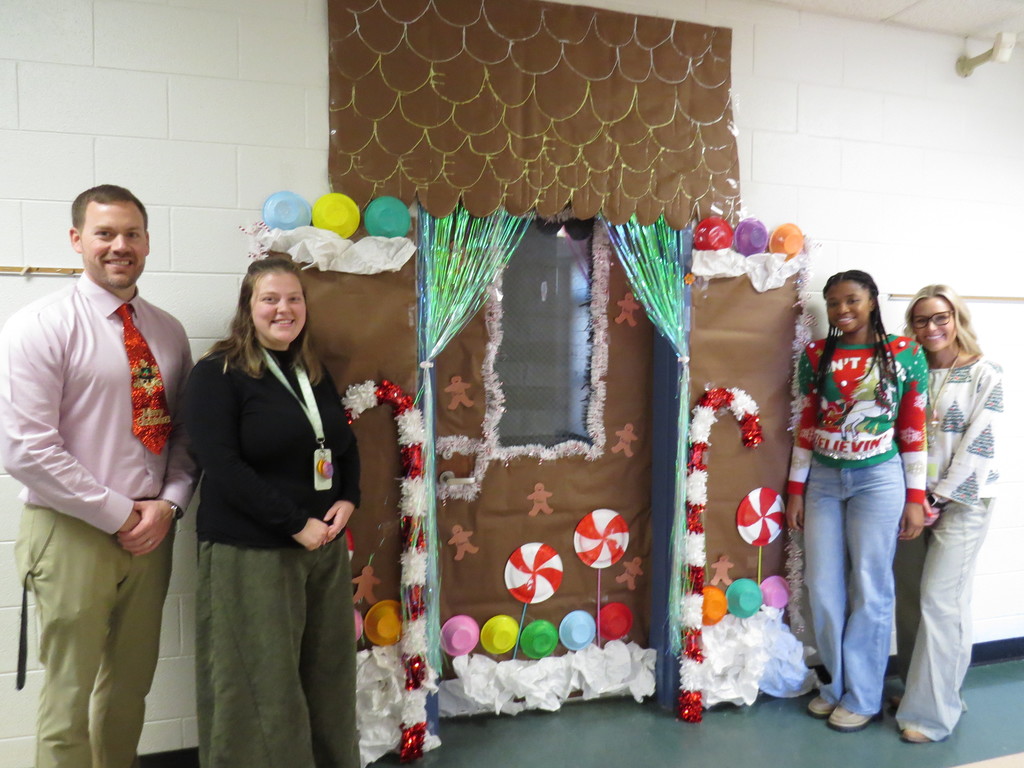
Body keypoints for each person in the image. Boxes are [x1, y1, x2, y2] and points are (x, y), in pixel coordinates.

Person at [0, 184, 196, 768]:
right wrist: (119, 511)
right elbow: (25, 449)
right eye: (105, 233)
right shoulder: (40, 325)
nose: (119, 246)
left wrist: (170, 504)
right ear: (76, 240)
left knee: (128, 693)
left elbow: (185, 434)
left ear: (147, 242)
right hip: (71, 531)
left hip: (153, 531)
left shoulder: (167, 331)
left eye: (131, 234)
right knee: (67, 699)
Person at [183, 256, 360, 768]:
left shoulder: (311, 369)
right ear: (248, 308)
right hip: (252, 549)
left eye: (294, 298)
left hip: (322, 549)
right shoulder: (217, 374)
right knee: (259, 684)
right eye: (270, 299)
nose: (284, 309)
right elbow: (221, 465)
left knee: (328, 676)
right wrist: (294, 523)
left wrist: (349, 497)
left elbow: (342, 444)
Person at [785, 270, 928, 733]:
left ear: (872, 301)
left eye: (851, 300)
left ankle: (864, 696)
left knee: (871, 586)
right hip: (825, 479)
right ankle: (835, 687)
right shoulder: (815, 355)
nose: (842, 310)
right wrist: (796, 488)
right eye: (833, 303)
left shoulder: (905, 354)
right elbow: (807, 422)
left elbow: (912, 429)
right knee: (823, 588)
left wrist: (914, 497)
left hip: (879, 480)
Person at [892, 285, 1002, 744]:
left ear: (957, 319)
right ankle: (923, 692)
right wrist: (909, 498)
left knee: (942, 601)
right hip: (910, 501)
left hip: (962, 502)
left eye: (941, 317)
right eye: (921, 320)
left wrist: (936, 500)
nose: (932, 327)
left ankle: (933, 714)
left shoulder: (984, 374)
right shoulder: (908, 371)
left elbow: (980, 445)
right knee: (911, 598)